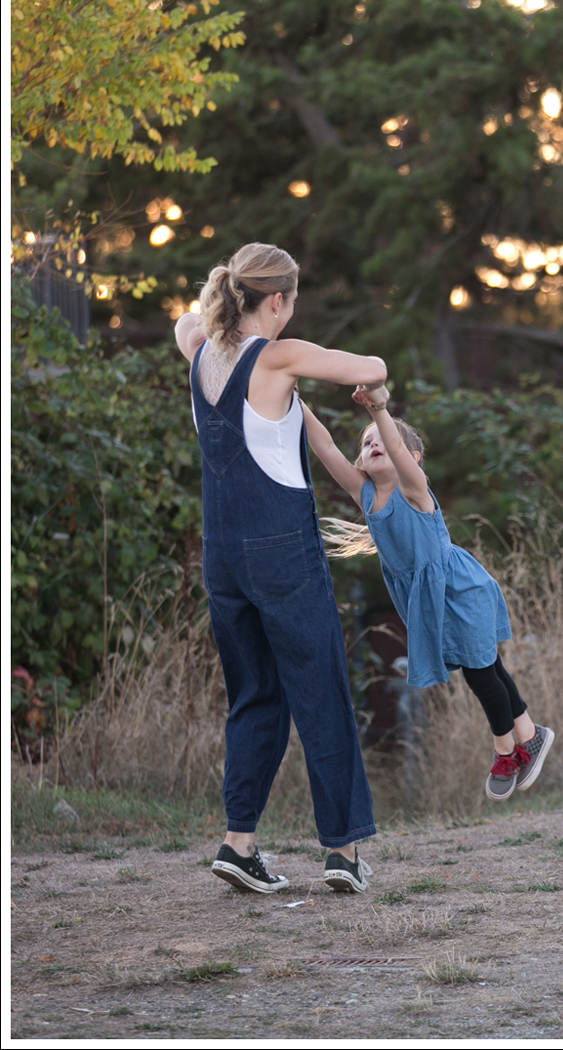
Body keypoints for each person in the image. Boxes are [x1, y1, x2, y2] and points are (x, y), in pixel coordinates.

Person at [174, 242, 389, 894]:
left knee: (254, 695)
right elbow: (372, 363)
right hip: (281, 552)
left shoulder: (199, 348)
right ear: (277, 300)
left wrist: (224, 302)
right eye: (290, 300)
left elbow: (188, 320)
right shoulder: (279, 356)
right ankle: (344, 852)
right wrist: (369, 387)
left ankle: (240, 844)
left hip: (223, 557)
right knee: (318, 686)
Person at [302, 388, 554, 801]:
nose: (373, 444)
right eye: (366, 443)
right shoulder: (364, 495)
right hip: (427, 598)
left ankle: (506, 749)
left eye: (383, 439)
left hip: (461, 588)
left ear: (411, 458)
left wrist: (379, 410)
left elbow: (397, 448)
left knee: (479, 670)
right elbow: (326, 446)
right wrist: (293, 399)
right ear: (362, 461)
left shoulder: (414, 490)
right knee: (483, 664)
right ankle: (529, 732)